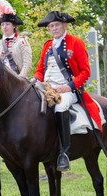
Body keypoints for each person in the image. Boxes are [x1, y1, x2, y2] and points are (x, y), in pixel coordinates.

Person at [33, 11, 102, 171]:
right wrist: (35, 79)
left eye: (57, 25)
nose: (54, 28)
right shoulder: (47, 45)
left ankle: (63, 153)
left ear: (64, 25)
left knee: (60, 107)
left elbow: (85, 72)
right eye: (51, 26)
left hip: (68, 89)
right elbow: (40, 69)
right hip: (47, 87)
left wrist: (68, 87)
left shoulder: (75, 43)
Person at [0, 0, 32, 78]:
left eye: (8, 24)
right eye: (2, 25)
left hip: (19, 80)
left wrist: (20, 79)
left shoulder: (22, 42)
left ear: (14, 26)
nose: (4, 27)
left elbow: (27, 64)